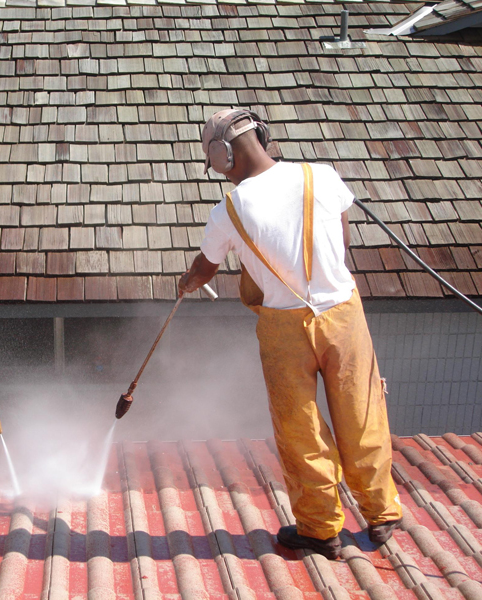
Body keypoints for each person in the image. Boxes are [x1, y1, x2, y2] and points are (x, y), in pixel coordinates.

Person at [179, 109, 402, 559]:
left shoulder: (228, 209)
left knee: (298, 427)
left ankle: (320, 528)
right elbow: (341, 241)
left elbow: (205, 269)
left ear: (222, 157)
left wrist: (185, 285)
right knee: (361, 411)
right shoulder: (322, 176)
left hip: (283, 326)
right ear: (260, 135)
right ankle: (381, 514)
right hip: (343, 313)